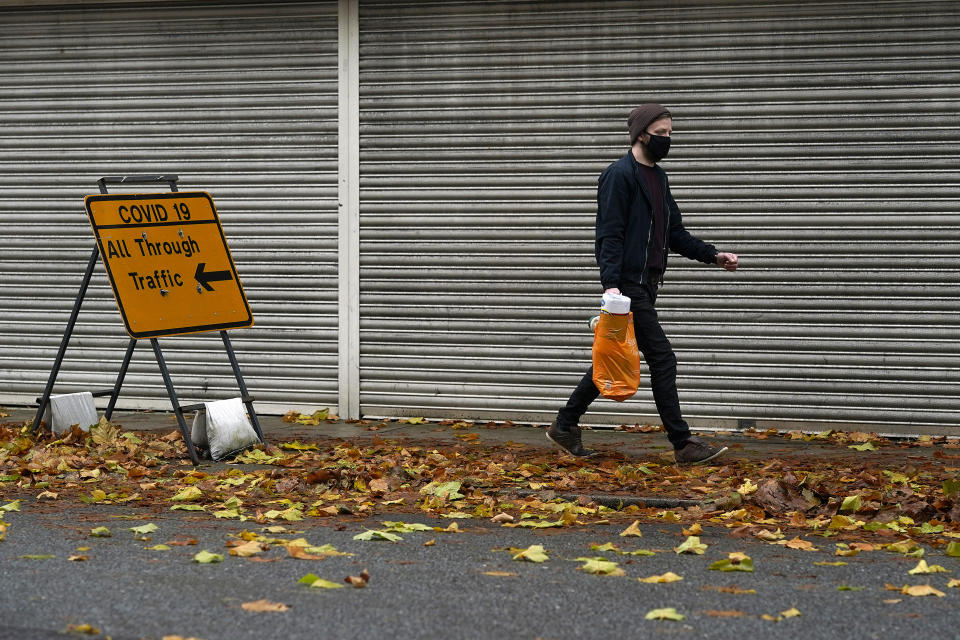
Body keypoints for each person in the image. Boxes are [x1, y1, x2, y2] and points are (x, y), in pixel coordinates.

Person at [547, 103, 739, 464]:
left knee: (617, 356)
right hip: (627, 286)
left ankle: (565, 423)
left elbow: (675, 234)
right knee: (663, 358)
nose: (668, 139)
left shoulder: (659, 178)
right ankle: (683, 444)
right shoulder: (619, 175)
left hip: (646, 283)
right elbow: (609, 235)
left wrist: (713, 255)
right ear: (641, 134)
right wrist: (611, 285)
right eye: (662, 132)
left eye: (671, 133)